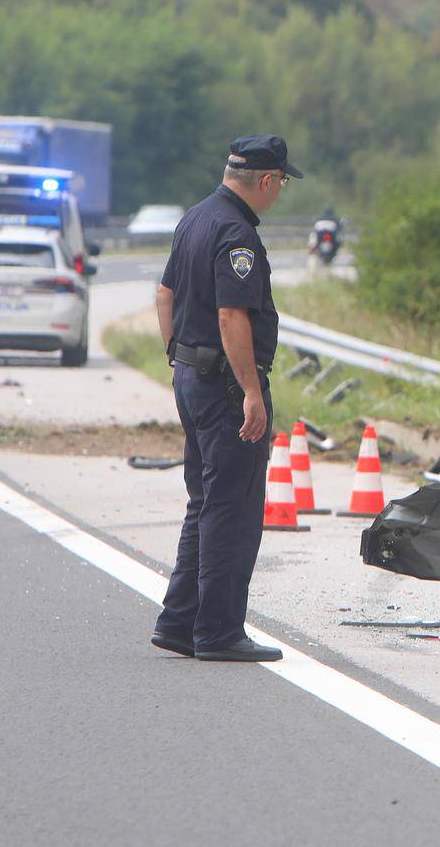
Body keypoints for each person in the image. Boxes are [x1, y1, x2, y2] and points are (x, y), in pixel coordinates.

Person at [150, 135, 302, 662]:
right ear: (265, 180)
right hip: (224, 386)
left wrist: (176, 355)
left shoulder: (195, 218)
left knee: (205, 501)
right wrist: (251, 393)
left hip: (191, 377)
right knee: (232, 509)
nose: (279, 191)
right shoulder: (237, 233)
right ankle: (217, 631)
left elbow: (165, 293)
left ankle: (179, 622)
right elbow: (232, 316)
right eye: (280, 182)